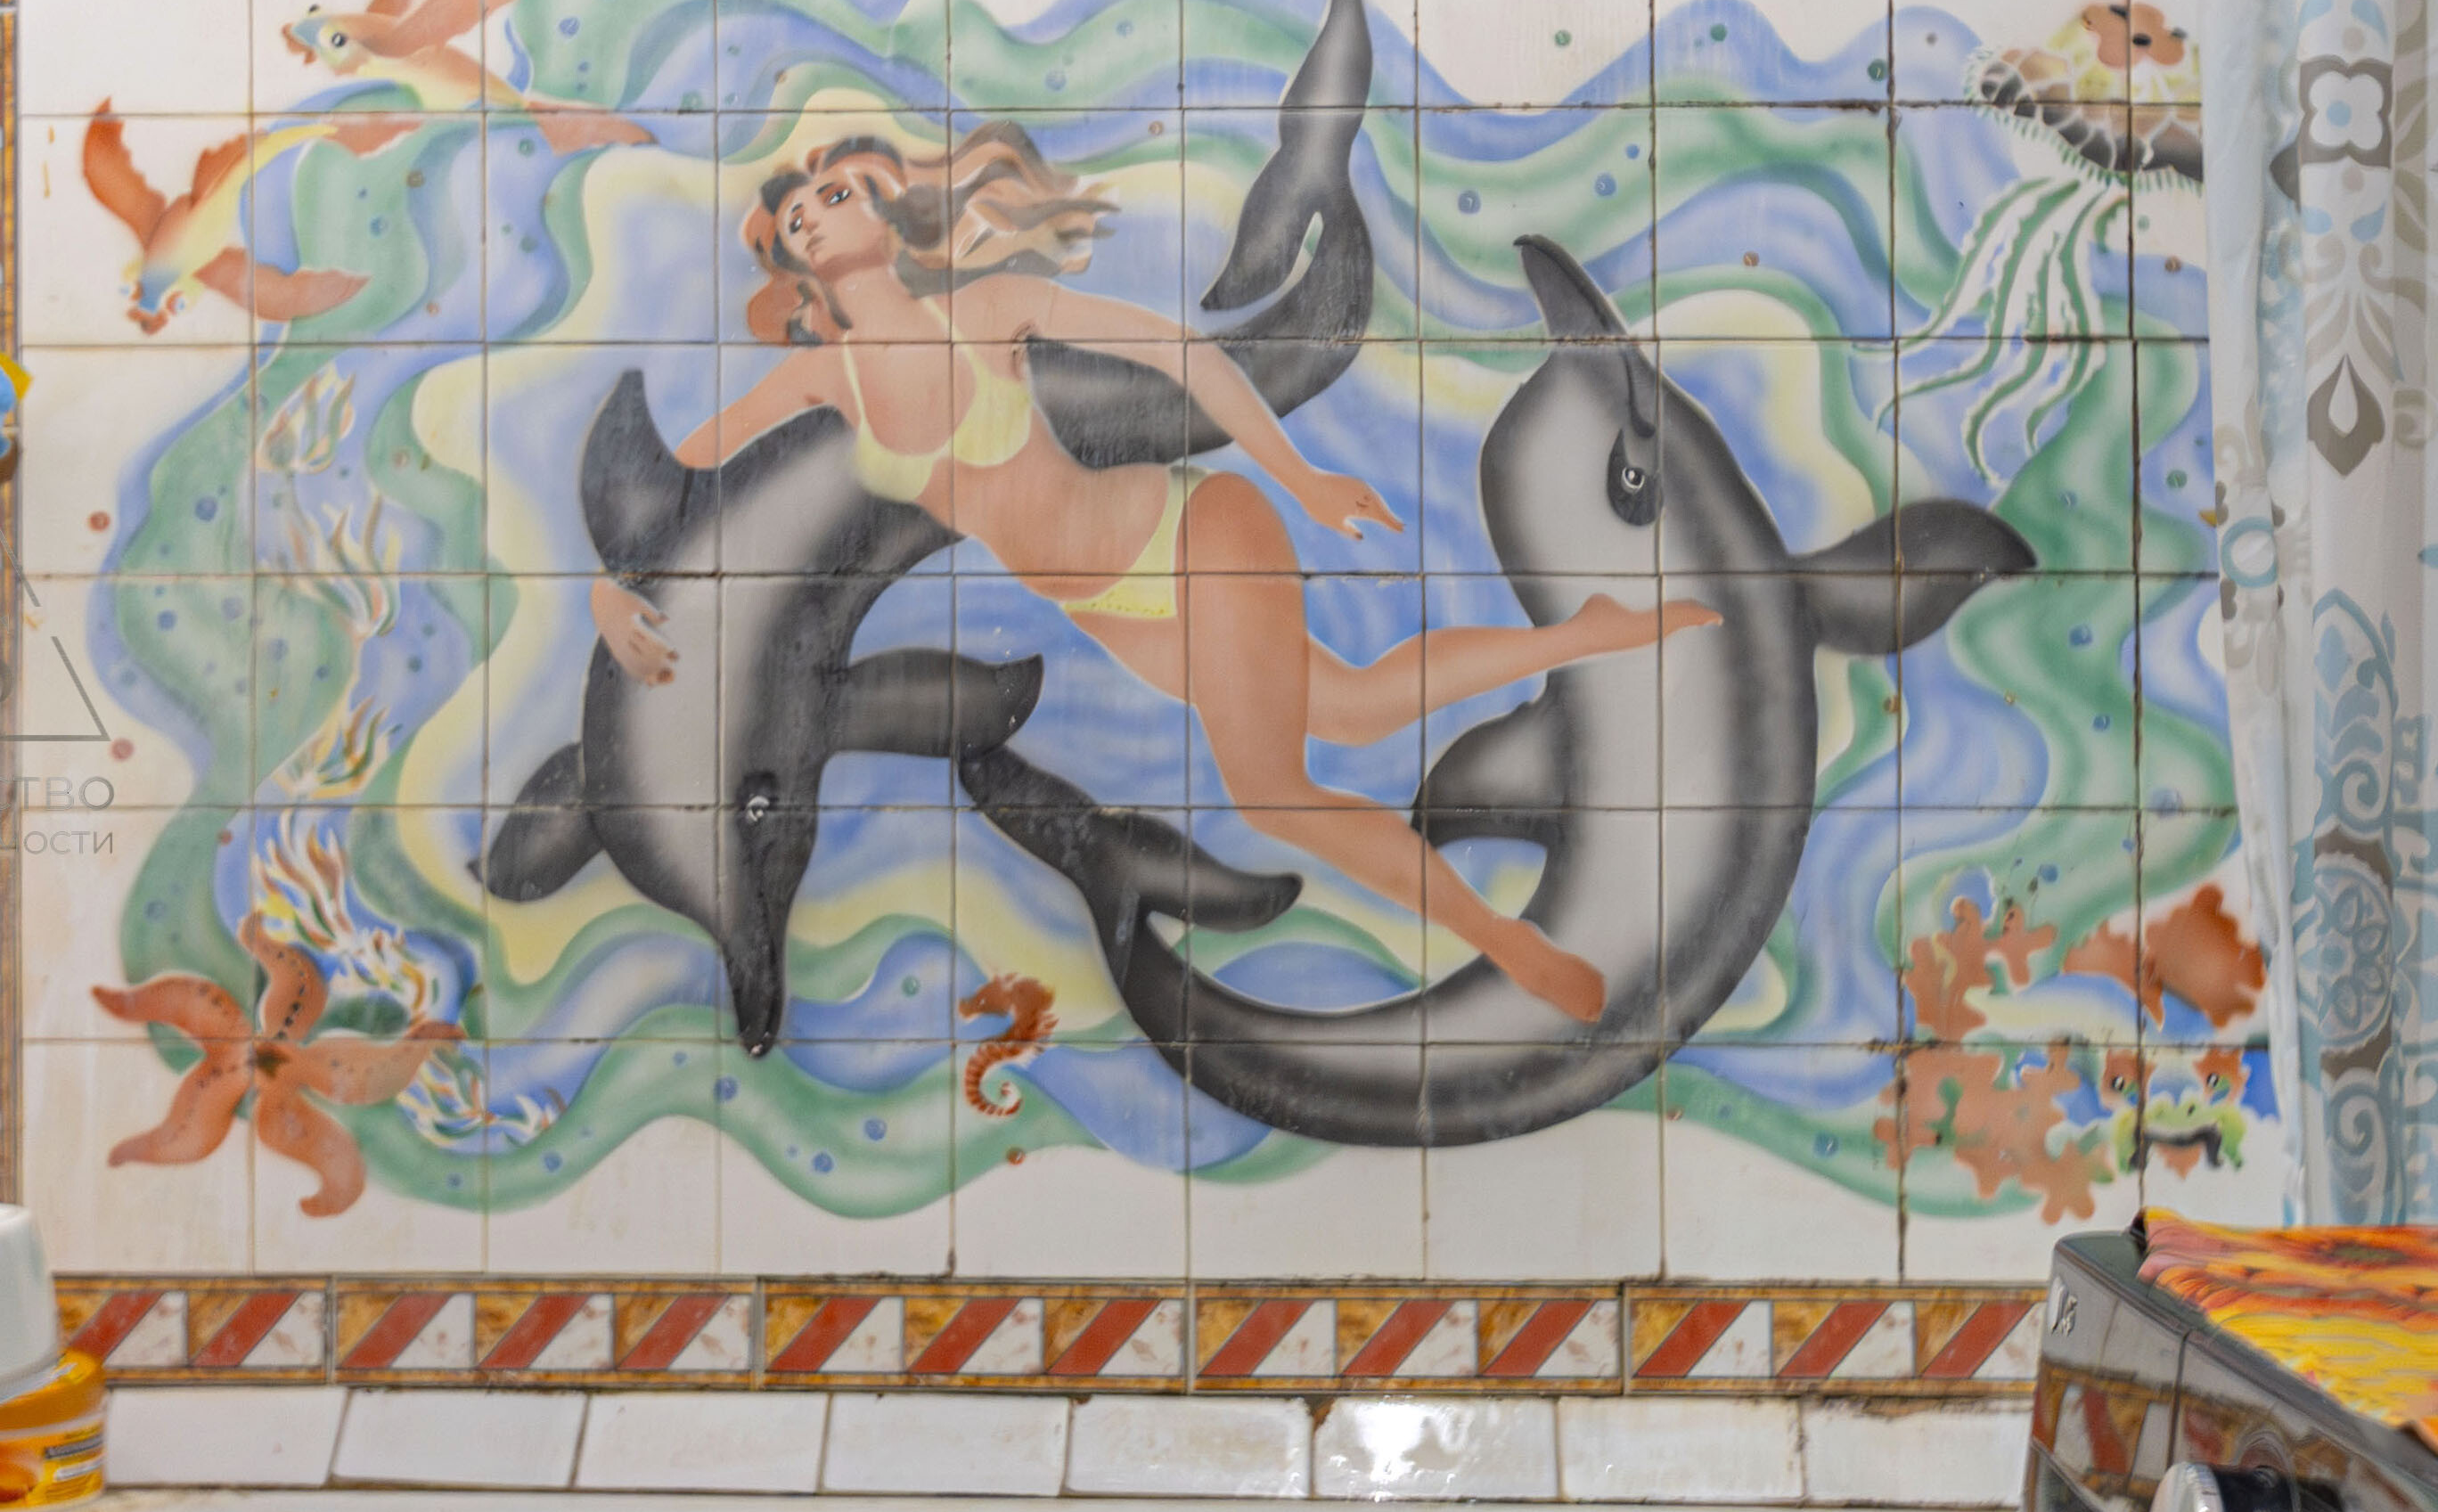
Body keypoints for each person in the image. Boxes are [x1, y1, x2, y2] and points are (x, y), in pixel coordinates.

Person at [596, 104, 1703, 1026]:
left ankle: (1509, 947)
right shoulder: (820, 381)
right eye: (797, 219)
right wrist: (607, 587)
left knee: (1273, 795)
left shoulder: (987, 311)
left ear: (881, 212)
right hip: (1109, 605)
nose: (816, 215)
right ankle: (1584, 635)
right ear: (797, 261)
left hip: (1190, 533)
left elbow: (1179, 354)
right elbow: (684, 491)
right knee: (1355, 708)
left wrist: (1303, 479)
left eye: (833, 194)